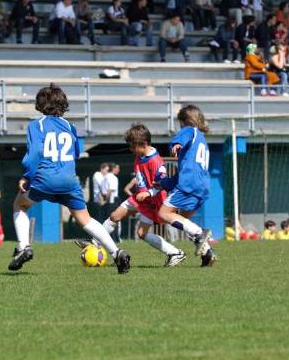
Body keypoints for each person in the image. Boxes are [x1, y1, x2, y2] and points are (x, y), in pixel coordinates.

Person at [8, 84, 131, 273]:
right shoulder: (70, 126)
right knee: (85, 219)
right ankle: (117, 253)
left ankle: (24, 247)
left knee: (20, 205)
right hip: (68, 179)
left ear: (40, 104)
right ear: (63, 104)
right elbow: (75, 153)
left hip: (45, 177)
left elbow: (34, 154)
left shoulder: (36, 125)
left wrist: (27, 176)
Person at [79, 123, 186, 267]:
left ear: (143, 144)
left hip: (152, 200)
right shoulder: (139, 156)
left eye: (132, 146)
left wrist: (149, 192)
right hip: (139, 197)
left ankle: (175, 253)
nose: (131, 150)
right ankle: (95, 242)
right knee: (115, 216)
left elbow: (163, 183)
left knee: (142, 233)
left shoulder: (156, 161)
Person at [156, 105, 216, 267]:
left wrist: (175, 144)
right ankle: (208, 254)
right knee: (184, 220)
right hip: (202, 186)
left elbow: (182, 137)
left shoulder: (190, 130)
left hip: (190, 184)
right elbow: (183, 172)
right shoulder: (202, 140)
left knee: (164, 213)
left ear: (185, 121)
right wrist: (164, 184)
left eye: (180, 123)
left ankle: (201, 233)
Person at [100, 163, 120, 241]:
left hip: (107, 200)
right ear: (113, 168)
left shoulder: (105, 177)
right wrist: (106, 200)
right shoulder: (113, 177)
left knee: (107, 220)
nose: (118, 170)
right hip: (112, 200)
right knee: (114, 220)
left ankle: (109, 238)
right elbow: (110, 190)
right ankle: (115, 238)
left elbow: (102, 190)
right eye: (117, 168)